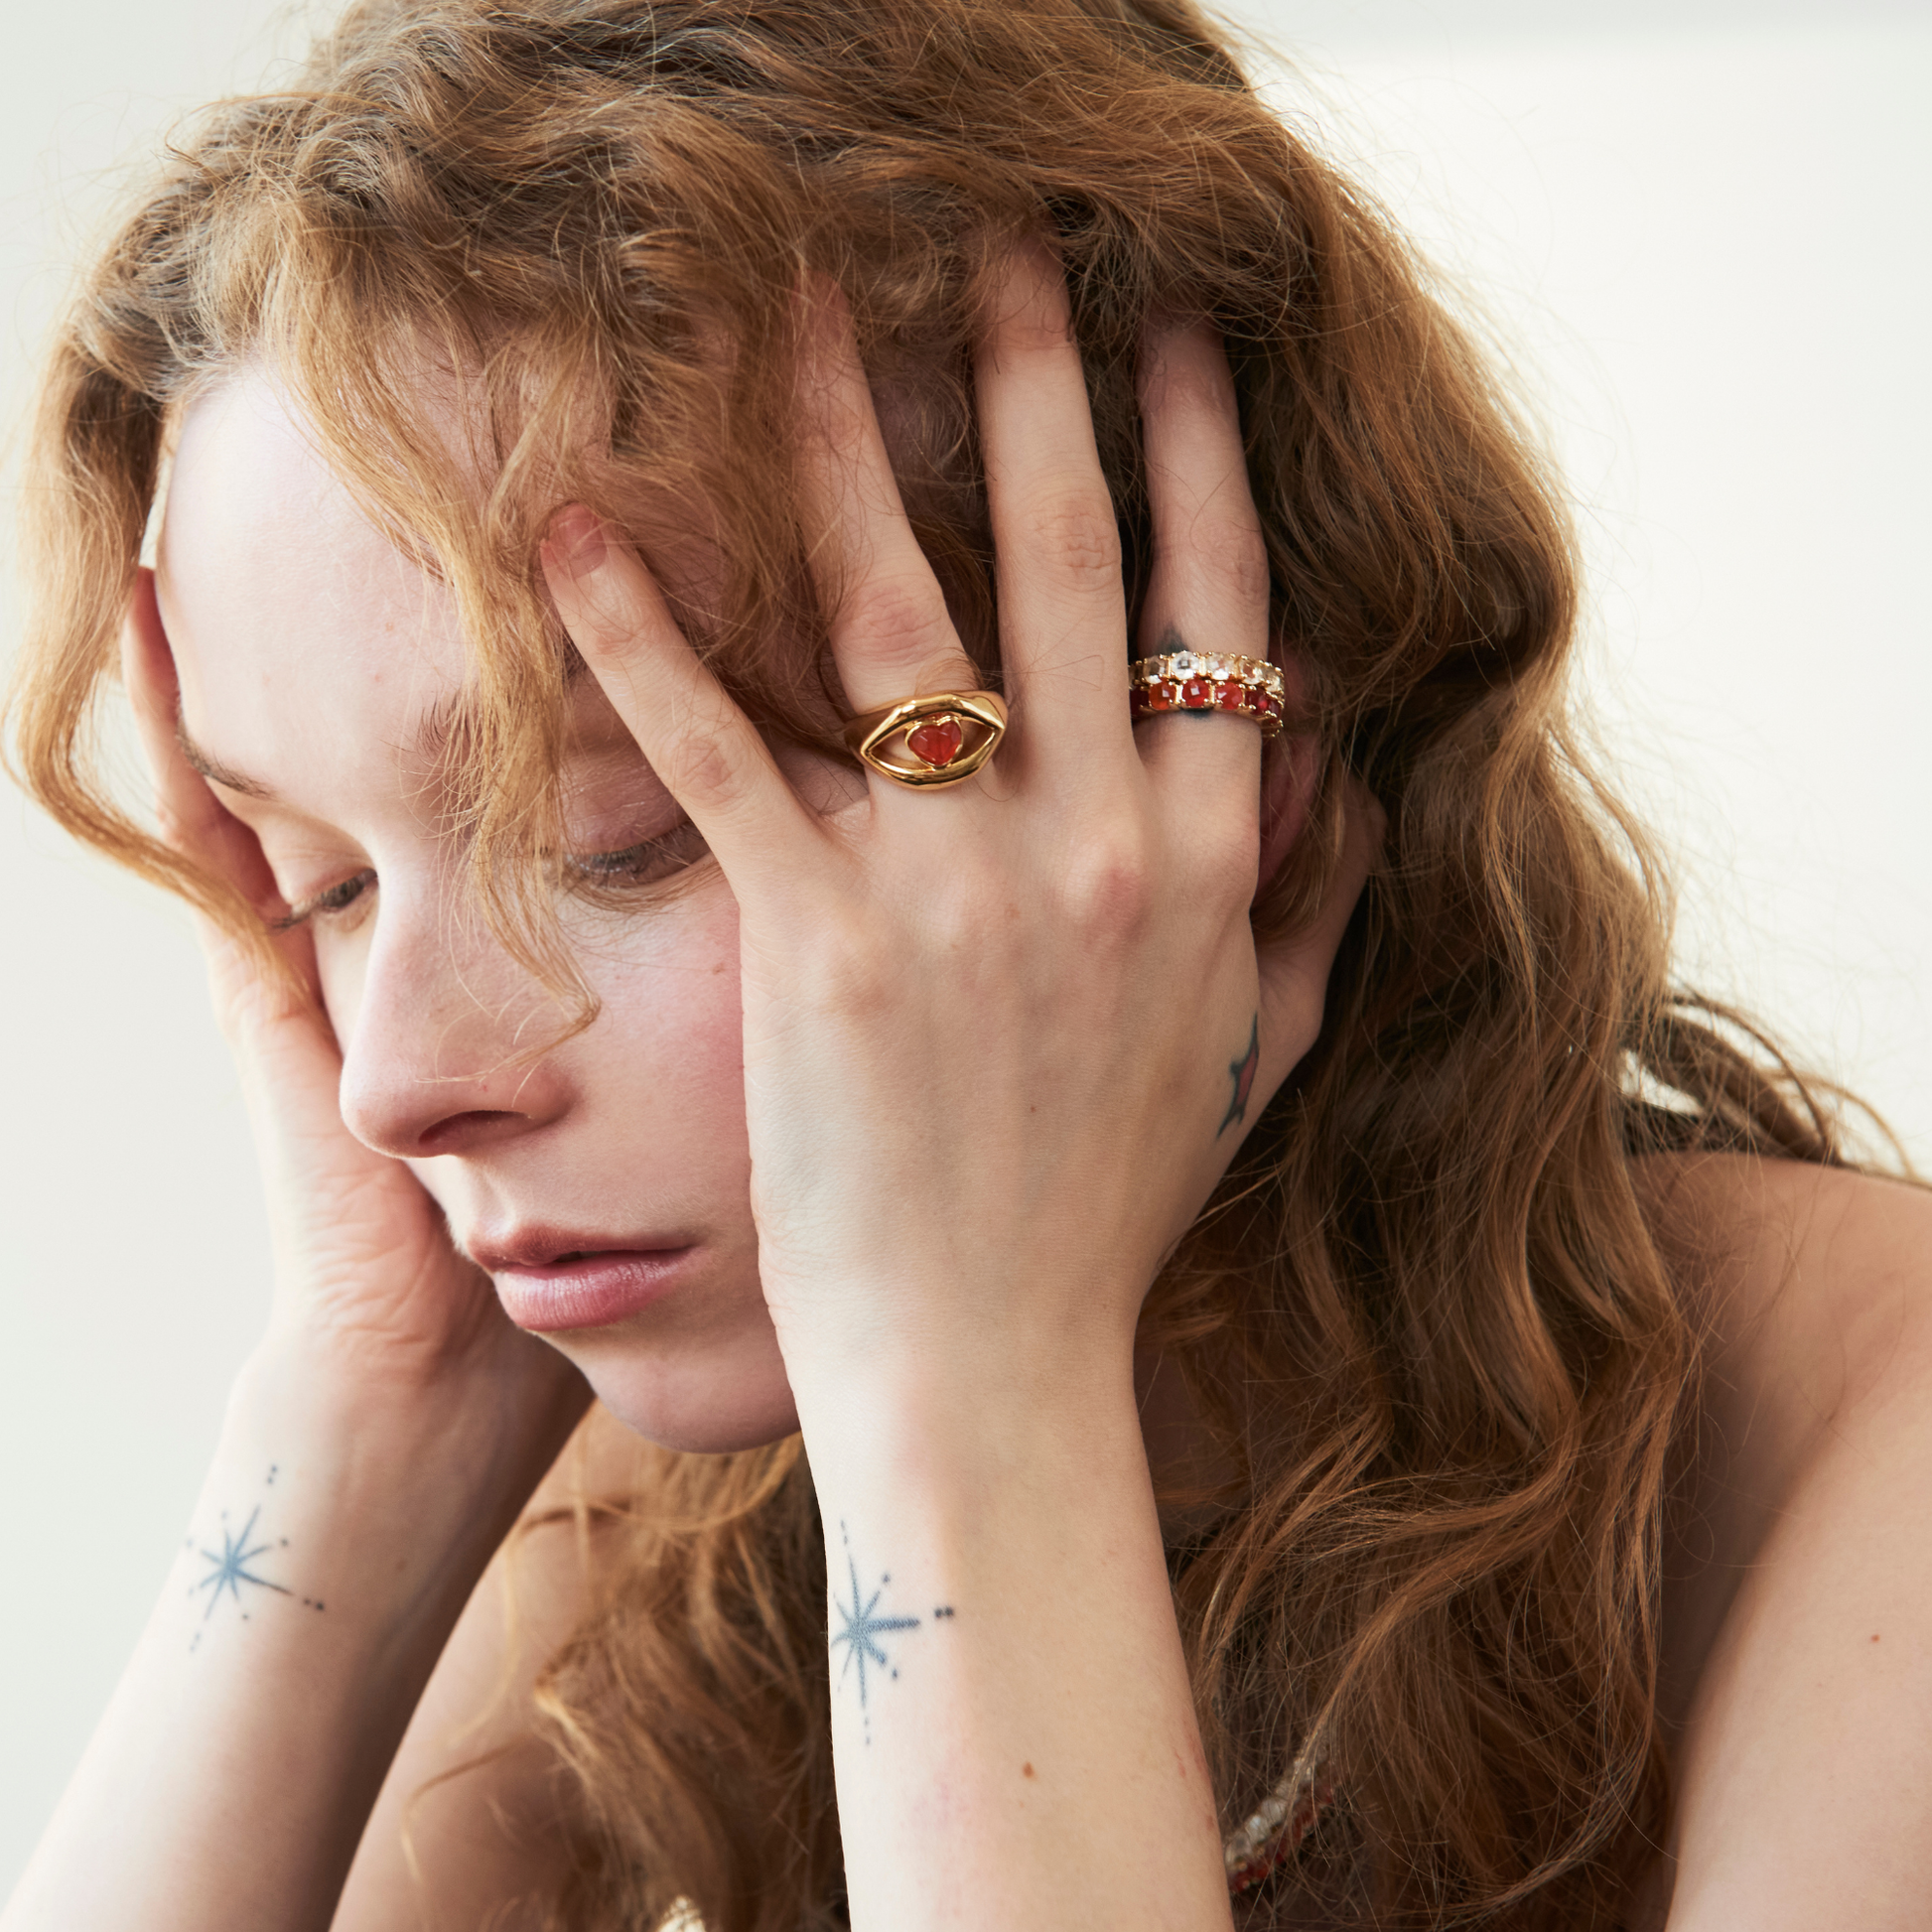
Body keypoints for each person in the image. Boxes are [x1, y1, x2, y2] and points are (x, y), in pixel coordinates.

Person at [5, 0, 1930, 1926]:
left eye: (624, 834)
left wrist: (975, 1391)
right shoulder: (646, 1533)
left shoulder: (1871, 1440)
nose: (395, 1080)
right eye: (327, 882)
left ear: (1214, 741)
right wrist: (366, 1399)